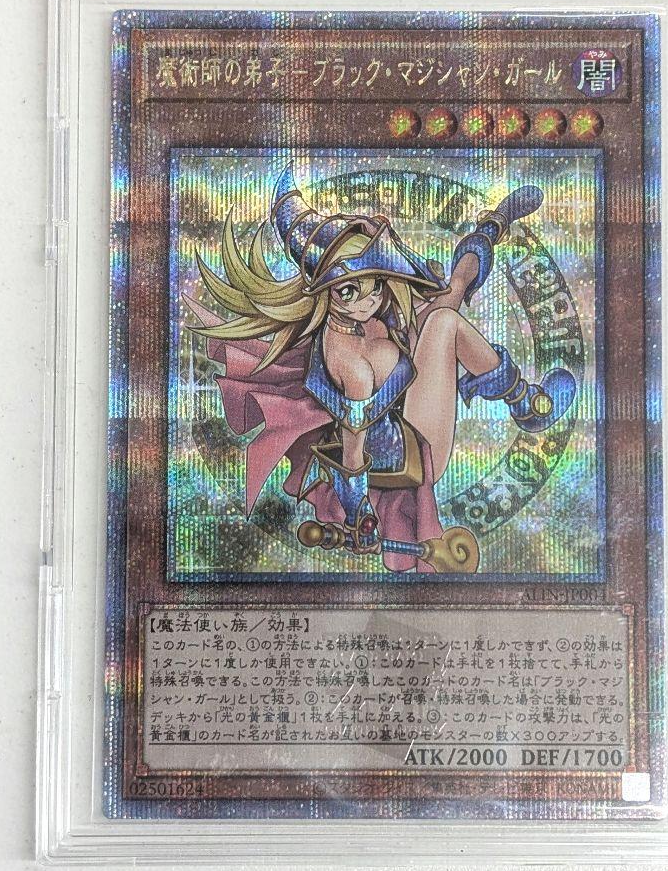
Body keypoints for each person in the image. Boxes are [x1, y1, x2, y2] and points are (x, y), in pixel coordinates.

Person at [185, 168, 576, 571]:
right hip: (413, 451)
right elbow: (353, 452)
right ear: (324, 291)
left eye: (373, 282)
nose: (368, 299)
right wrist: (359, 516)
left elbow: (395, 312)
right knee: (445, 322)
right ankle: (527, 403)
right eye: (349, 290)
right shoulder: (351, 366)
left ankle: (492, 224)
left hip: (407, 403)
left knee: (451, 291)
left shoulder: (362, 316)